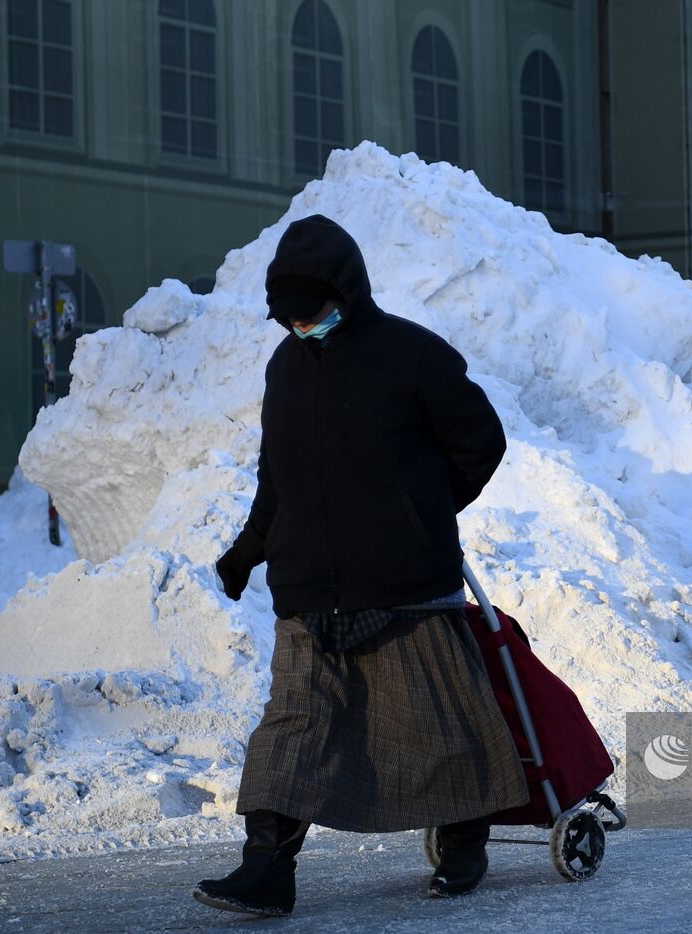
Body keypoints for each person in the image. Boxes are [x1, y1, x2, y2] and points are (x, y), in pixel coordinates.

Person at [195, 214, 528, 917]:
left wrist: (420, 513)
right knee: (292, 727)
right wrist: (247, 552)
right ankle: (266, 869)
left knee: (440, 726)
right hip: (309, 587)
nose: (299, 326)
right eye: (287, 316)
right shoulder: (284, 366)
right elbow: (275, 478)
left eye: (309, 312)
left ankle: (465, 844)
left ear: (345, 293)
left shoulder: (414, 355)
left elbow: (481, 443)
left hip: (404, 586)